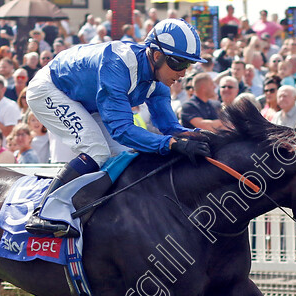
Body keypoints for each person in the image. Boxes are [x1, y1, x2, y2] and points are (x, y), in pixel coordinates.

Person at [24, 18, 211, 237]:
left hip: (86, 99)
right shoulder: (119, 65)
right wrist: (170, 144)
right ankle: (44, 212)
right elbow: (121, 130)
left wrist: (198, 136)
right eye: (178, 63)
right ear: (157, 56)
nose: (183, 73)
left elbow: (169, 126)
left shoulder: (159, 78)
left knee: (123, 157)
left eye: (188, 65)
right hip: (50, 89)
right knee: (97, 150)